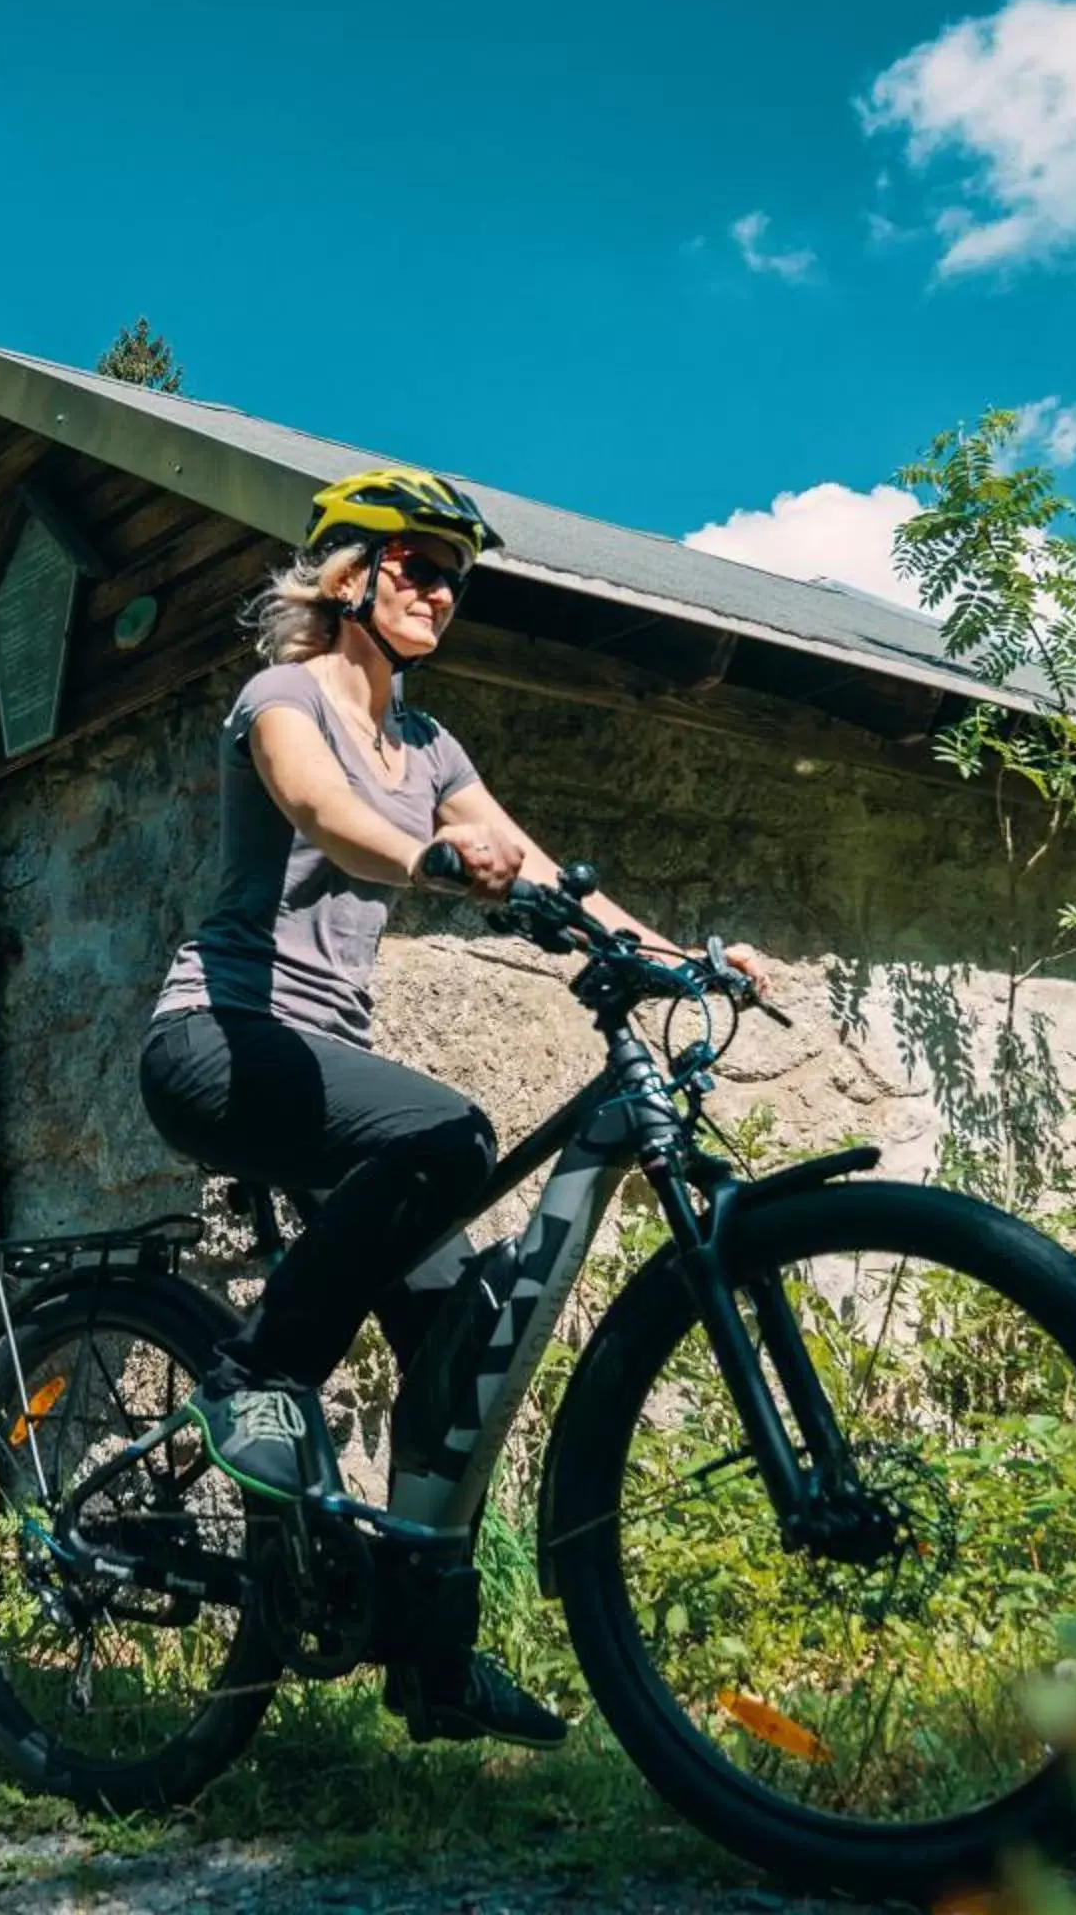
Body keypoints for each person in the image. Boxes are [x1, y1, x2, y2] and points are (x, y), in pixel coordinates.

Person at [143, 468, 763, 1749]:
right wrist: (428, 857)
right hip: (221, 1040)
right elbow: (322, 808)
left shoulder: (431, 746)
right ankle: (253, 1379)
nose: (440, 588)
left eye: (455, 575)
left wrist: (676, 954)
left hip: (327, 1072)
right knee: (451, 1136)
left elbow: (540, 867)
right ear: (348, 574)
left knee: (462, 1332)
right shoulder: (285, 696)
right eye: (416, 563)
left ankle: (430, 1662)